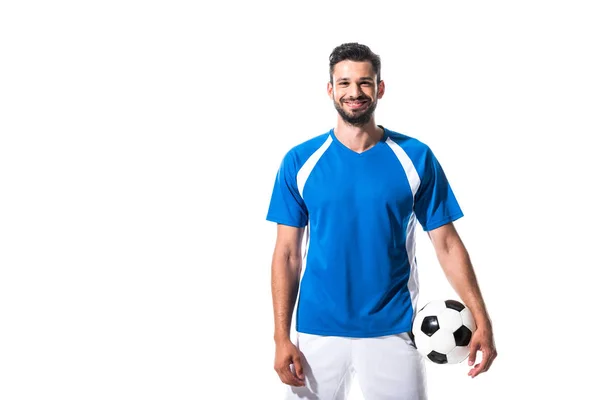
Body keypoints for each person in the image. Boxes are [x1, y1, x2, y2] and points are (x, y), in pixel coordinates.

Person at [265, 42, 497, 400]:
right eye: (343, 83)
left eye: (364, 82)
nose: (354, 92)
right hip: (316, 333)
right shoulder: (300, 161)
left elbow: (447, 244)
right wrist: (282, 337)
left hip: (394, 329)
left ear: (380, 88)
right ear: (330, 89)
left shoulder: (415, 157)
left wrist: (482, 317)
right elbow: (287, 255)